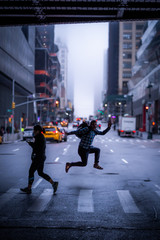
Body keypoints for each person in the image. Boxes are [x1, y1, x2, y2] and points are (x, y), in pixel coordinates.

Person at [20, 125, 58, 194]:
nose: (33, 131)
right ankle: (53, 183)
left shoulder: (38, 137)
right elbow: (37, 146)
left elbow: (36, 147)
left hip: (38, 158)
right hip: (41, 157)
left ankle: (29, 188)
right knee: (40, 173)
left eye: (34, 130)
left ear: (37, 130)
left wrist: (30, 143)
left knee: (31, 171)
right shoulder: (41, 136)